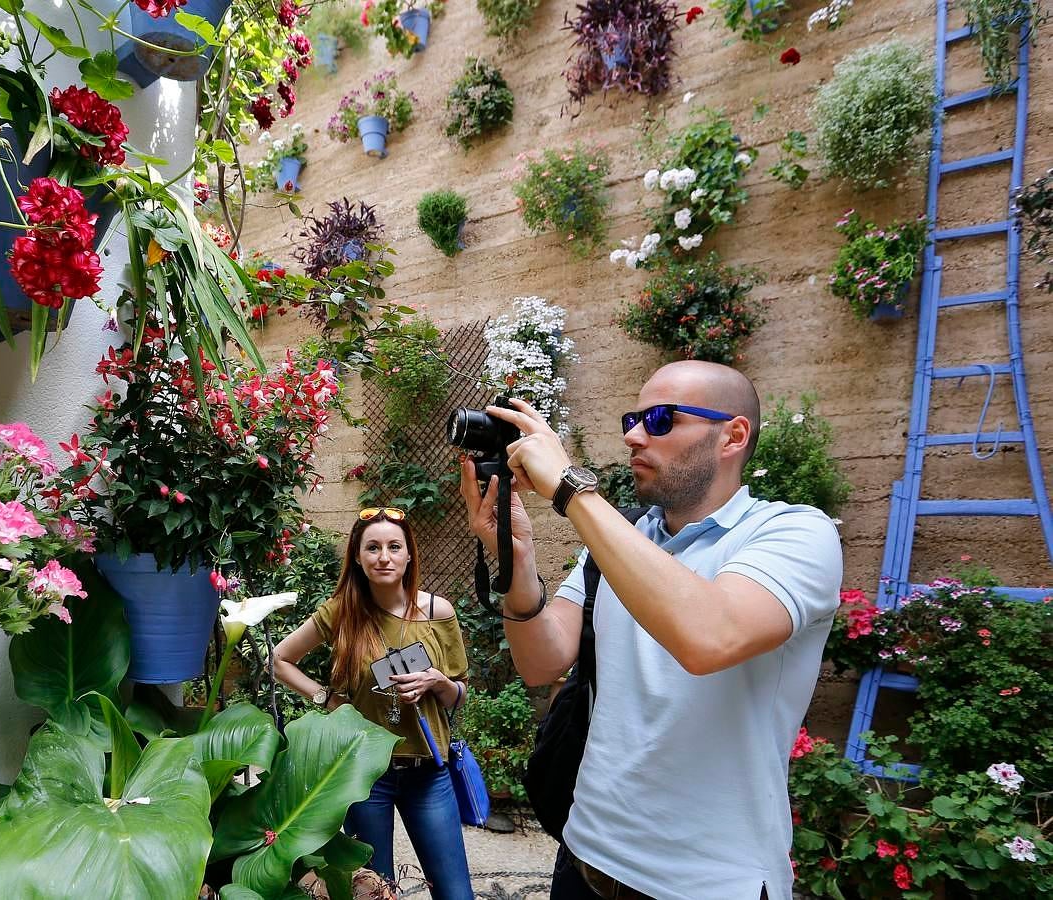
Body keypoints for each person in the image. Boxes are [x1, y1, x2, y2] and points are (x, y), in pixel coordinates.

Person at [459, 360, 842, 900]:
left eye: (662, 419)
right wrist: (516, 560)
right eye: (632, 418)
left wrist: (571, 490)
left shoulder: (793, 532)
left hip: (706, 882)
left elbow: (709, 637)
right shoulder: (627, 540)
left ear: (732, 435)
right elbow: (542, 660)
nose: (635, 436)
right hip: (586, 856)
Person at [272, 507, 474, 900]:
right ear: (358, 557)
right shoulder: (343, 613)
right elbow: (279, 661)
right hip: (365, 775)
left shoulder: (437, 612)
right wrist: (330, 702)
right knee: (374, 892)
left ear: (409, 554)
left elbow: (460, 693)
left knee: (455, 893)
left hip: (428, 771)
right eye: (373, 548)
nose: (384, 556)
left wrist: (438, 681)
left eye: (394, 546)